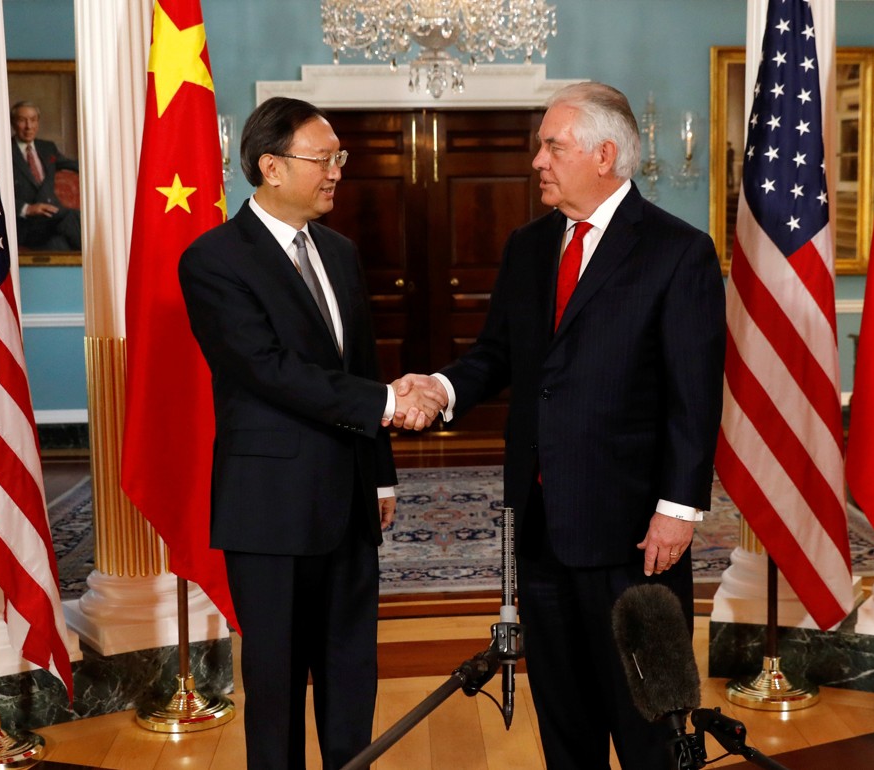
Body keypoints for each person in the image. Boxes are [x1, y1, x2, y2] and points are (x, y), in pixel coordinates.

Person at [395, 82, 726, 769]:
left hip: (636, 534)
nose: (537, 159)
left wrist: (677, 510)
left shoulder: (677, 251)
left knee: (647, 725)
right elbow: (496, 354)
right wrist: (440, 387)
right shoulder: (528, 247)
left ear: (604, 155)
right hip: (540, 525)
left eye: (552, 144)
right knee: (564, 721)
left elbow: (693, 396)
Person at [178, 96, 442, 770]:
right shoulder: (213, 260)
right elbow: (269, 371)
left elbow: (360, 364)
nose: (336, 173)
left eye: (339, 159)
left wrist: (380, 472)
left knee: (352, 671)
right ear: (271, 166)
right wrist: (390, 401)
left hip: (350, 498)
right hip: (269, 506)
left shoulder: (339, 252)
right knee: (278, 681)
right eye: (324, 159)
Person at [10, 101, 82, 251]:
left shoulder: (47, 147)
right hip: (25, 223)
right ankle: (99, 260)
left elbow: (75, 165)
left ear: (38, 122)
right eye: (22, 120)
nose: (29, 126)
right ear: (13, 123)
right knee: (72, 217)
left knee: (58, 245)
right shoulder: (3, 151)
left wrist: (105, 168)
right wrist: (27, 208)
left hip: (52, 219)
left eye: (33, 120)